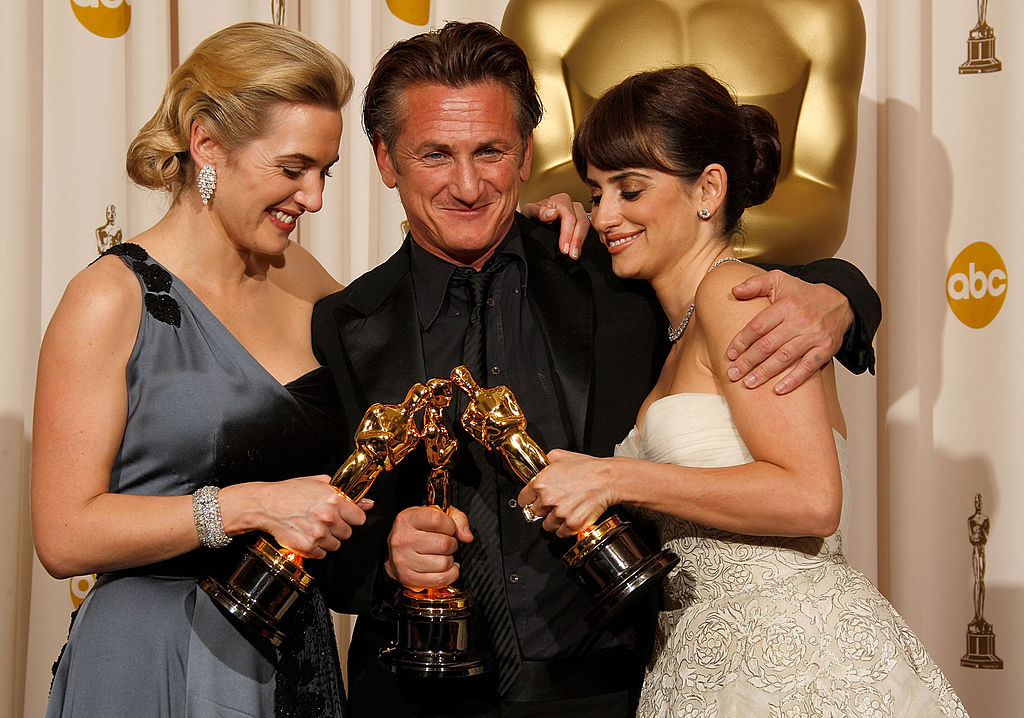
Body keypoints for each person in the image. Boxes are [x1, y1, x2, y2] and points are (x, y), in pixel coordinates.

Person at [313, 21, 881, 717]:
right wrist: (387, 559)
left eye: (490, 150)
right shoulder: (344, 321)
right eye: (435, 155)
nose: (466, 185)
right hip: (417, 696)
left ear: (525, 154)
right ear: (384, 158)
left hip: (614, 690)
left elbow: (733, 275)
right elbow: (328, 547)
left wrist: (842, 294)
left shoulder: (612, 269)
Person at [519, 65, 968, 717]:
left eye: (630, 189)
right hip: (706, 657)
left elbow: (812, 500)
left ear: (708, 188)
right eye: (595, 192)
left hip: (792, 660)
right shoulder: (680, 327)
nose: (605, 214)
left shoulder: (734, 296)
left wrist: (616, 477)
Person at [33, 22, 367, 717]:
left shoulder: (305, 278)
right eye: (293, 168)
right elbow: (64, 535)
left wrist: (541, 232)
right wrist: (250, 505)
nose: (314, 199)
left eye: (324, 172)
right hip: (157, 653)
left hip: (289, 640)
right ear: (206, 142)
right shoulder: (110, 299)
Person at [502, 0, 866, 264]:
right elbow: (543, 187)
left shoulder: (822, 12)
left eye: (629, 188)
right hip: (602, 301)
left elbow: (822, 203)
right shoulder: (545, 12)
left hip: (770, 309)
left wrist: (682, 246)